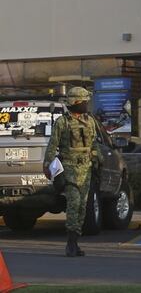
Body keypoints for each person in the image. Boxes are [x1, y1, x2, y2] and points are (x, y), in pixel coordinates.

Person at [43, 86, 103, 257]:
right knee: (74, 204)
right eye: (84, 101)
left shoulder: (90, 121)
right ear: (76, 102)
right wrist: (47, 165)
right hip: (69, 168)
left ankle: (75, 241)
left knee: (83, 207)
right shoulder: (62, 122)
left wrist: (98, 160)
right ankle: (70, 243)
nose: (86, 104)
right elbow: (52, 145)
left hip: (86, 168)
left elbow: (94, 144)